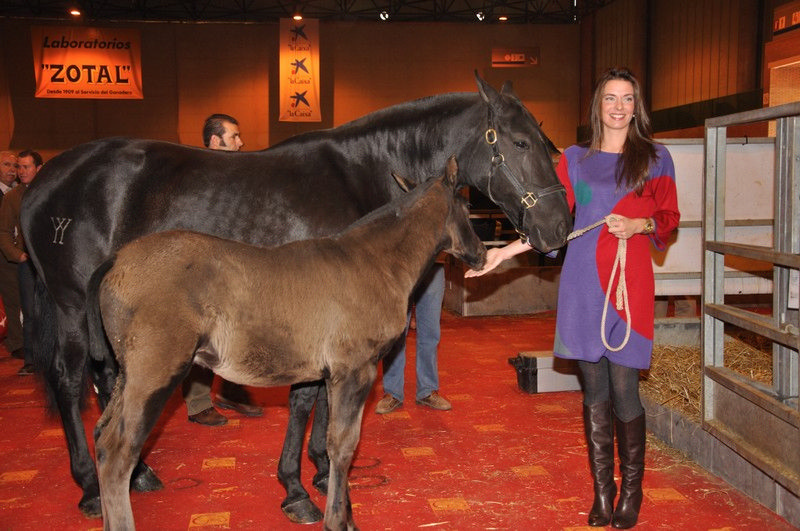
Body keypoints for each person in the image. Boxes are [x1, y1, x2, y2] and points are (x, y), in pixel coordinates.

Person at [467, 67, 680, 529]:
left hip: (629, 283)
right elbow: (553, 223)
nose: (619, 107)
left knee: (625, 393)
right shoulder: (575, 160)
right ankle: (604, 493)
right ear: (597, 105)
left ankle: (632, 493)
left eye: (627, 99)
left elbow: (668, 219)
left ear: (636, 106)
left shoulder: (656, 158)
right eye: (610, 98)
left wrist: (639, 225)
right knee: (594, 392)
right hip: (583, 283)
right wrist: (503, 252)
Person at [181, 114, 261, 426]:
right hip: (205, 268)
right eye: (234, 137)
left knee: (238, 330)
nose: (241, 143)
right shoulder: (197, 175)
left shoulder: (235, 174)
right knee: (203, 334)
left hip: (236, 265)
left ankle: (232, 390)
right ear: (216, 141)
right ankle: (198, 402)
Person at [374, 260, 452, 414]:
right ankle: (392, 392)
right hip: (401, 263)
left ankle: (428, 390)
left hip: (433, 264)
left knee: (430, 332)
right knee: (396, 333)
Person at [0, 150, 43, 375]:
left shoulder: (51, 191)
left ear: (38, 168)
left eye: (26, 167)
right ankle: (31, 359)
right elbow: (4, 232)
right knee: (29, 312)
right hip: (27, 263)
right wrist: (18, 255)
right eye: (19, 167)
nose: (21, 172)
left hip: (49, 263)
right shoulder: (12, 197)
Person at [0, 151, 22, 362]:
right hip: (3, 254)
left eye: (15, 166)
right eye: (6, 165)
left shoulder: (18, 192)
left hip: (11, 255)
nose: (12, 170)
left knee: (14, 300)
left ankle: (17, 342)